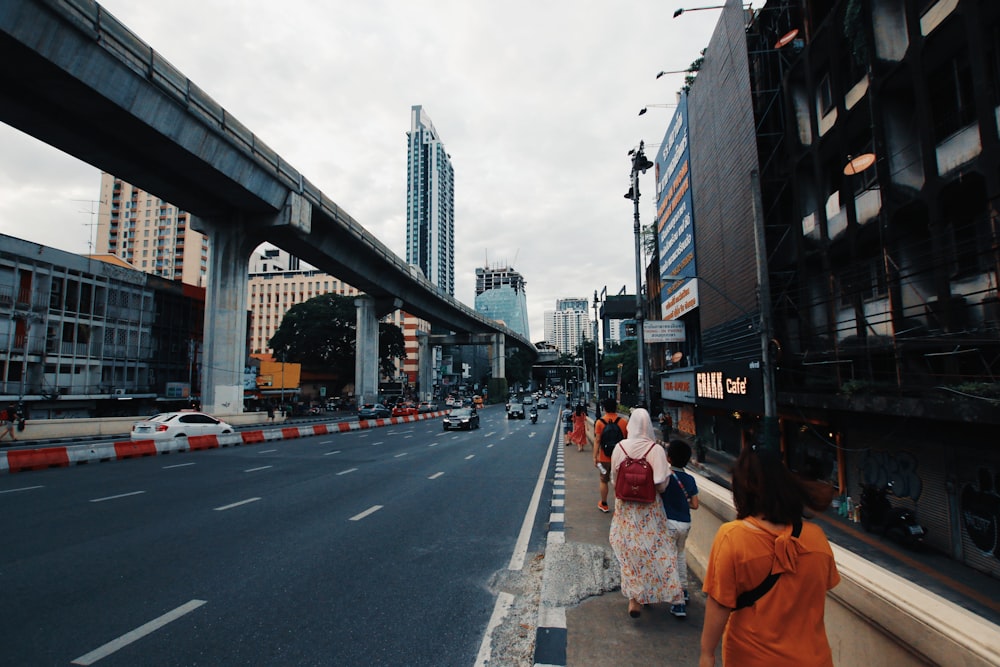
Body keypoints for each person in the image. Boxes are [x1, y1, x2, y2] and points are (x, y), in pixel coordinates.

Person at [699, 445, 840, 667]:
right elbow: (820, 590)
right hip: (814, 659)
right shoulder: (816, 539)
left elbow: (719, 604)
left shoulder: (733, 537)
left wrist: (707, 654)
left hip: (753, 658)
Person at [608, 408, 683, 618]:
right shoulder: (655, 450)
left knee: (629, 550)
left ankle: (634, 598)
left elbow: (615, 479)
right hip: (649, 509)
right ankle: (653, 592)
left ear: (630, 425)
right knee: (655, 550)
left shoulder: (620, 447)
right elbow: (661, 483)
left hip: (625, 509)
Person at [661, 439, 699, 617]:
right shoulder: (690, 479)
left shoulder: (666, 477)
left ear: (668, 458)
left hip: (669, 523)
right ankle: (683, 590)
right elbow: (695, 504)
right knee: (680, 556)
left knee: (669, 560)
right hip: (685, 523)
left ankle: (677, 602)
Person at [593, 397, 627, 513]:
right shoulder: (623, 422)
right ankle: (620, 506)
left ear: (604, 408)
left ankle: (604, 504)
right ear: (616, 408)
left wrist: (595, 457)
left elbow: (597, 441)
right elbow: (626, 440)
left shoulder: (600, 423)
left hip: (604, 458)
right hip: (621, 458)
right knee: (619, 481)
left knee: (603, 480)